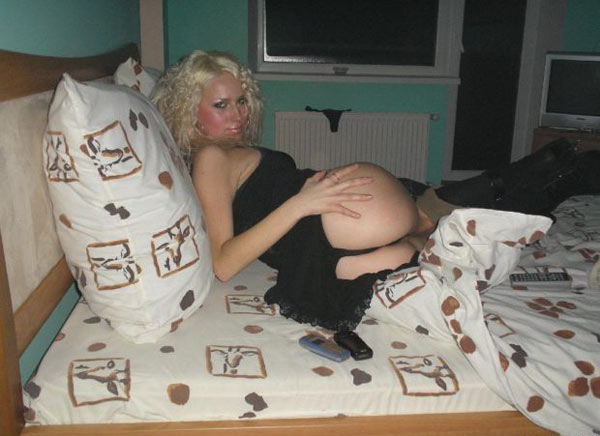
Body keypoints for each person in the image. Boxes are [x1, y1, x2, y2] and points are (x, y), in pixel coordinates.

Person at [151, 50, 600, 331]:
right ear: (191, 111)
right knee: (436, 227)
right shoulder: (209, 157)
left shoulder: (224, 154)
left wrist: (304, 202)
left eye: (241, 101)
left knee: (435, 224)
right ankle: (549, 178)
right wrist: (301, 203)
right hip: (322, 228)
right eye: (221, 105)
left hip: (329, 231)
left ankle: (547, 179)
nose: (237, 115)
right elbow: (224, 263)